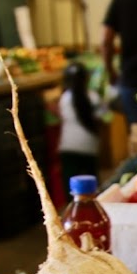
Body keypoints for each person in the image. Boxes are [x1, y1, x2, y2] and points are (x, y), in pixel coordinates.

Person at [56, 62, 102, 195]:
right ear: (86, 78)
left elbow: (63, 116)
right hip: (90, 146)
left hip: (68, 147)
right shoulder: (93, 97)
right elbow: (102, 118)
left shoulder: (65, 98)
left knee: (71, 186)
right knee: (91, 185)